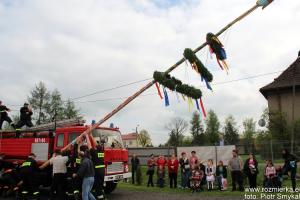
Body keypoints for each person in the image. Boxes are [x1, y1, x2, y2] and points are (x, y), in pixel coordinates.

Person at [86, 133, 105, 200]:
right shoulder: (102, 152)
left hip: (97, 170)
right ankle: (102, 194)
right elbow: (96, 145)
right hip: (103, 170)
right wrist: (91, 135)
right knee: (100, 184)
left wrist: (87, 136)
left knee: (97, 185)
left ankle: (100, 197)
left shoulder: (94, 153)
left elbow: (89, 145)